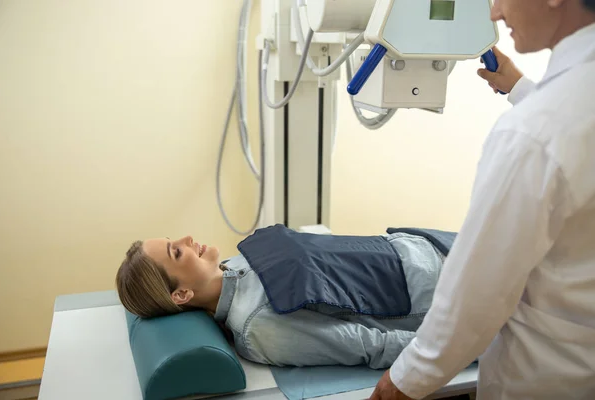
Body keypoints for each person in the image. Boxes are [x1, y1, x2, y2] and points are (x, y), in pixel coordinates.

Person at [369, 0, 595, 399]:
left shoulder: (532, 133)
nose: (493, 13)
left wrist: (401, 383)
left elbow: (473, 301)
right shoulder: (560, 112)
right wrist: (523, 89)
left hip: (547, 379)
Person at [115, 228, 449, 369]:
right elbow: (370, 344)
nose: (188, 238)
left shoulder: (237, 264)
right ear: (182, 294)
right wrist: (466, 343)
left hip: (419, 243)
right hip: (442, 286)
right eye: (177, 251)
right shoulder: (259, 325)